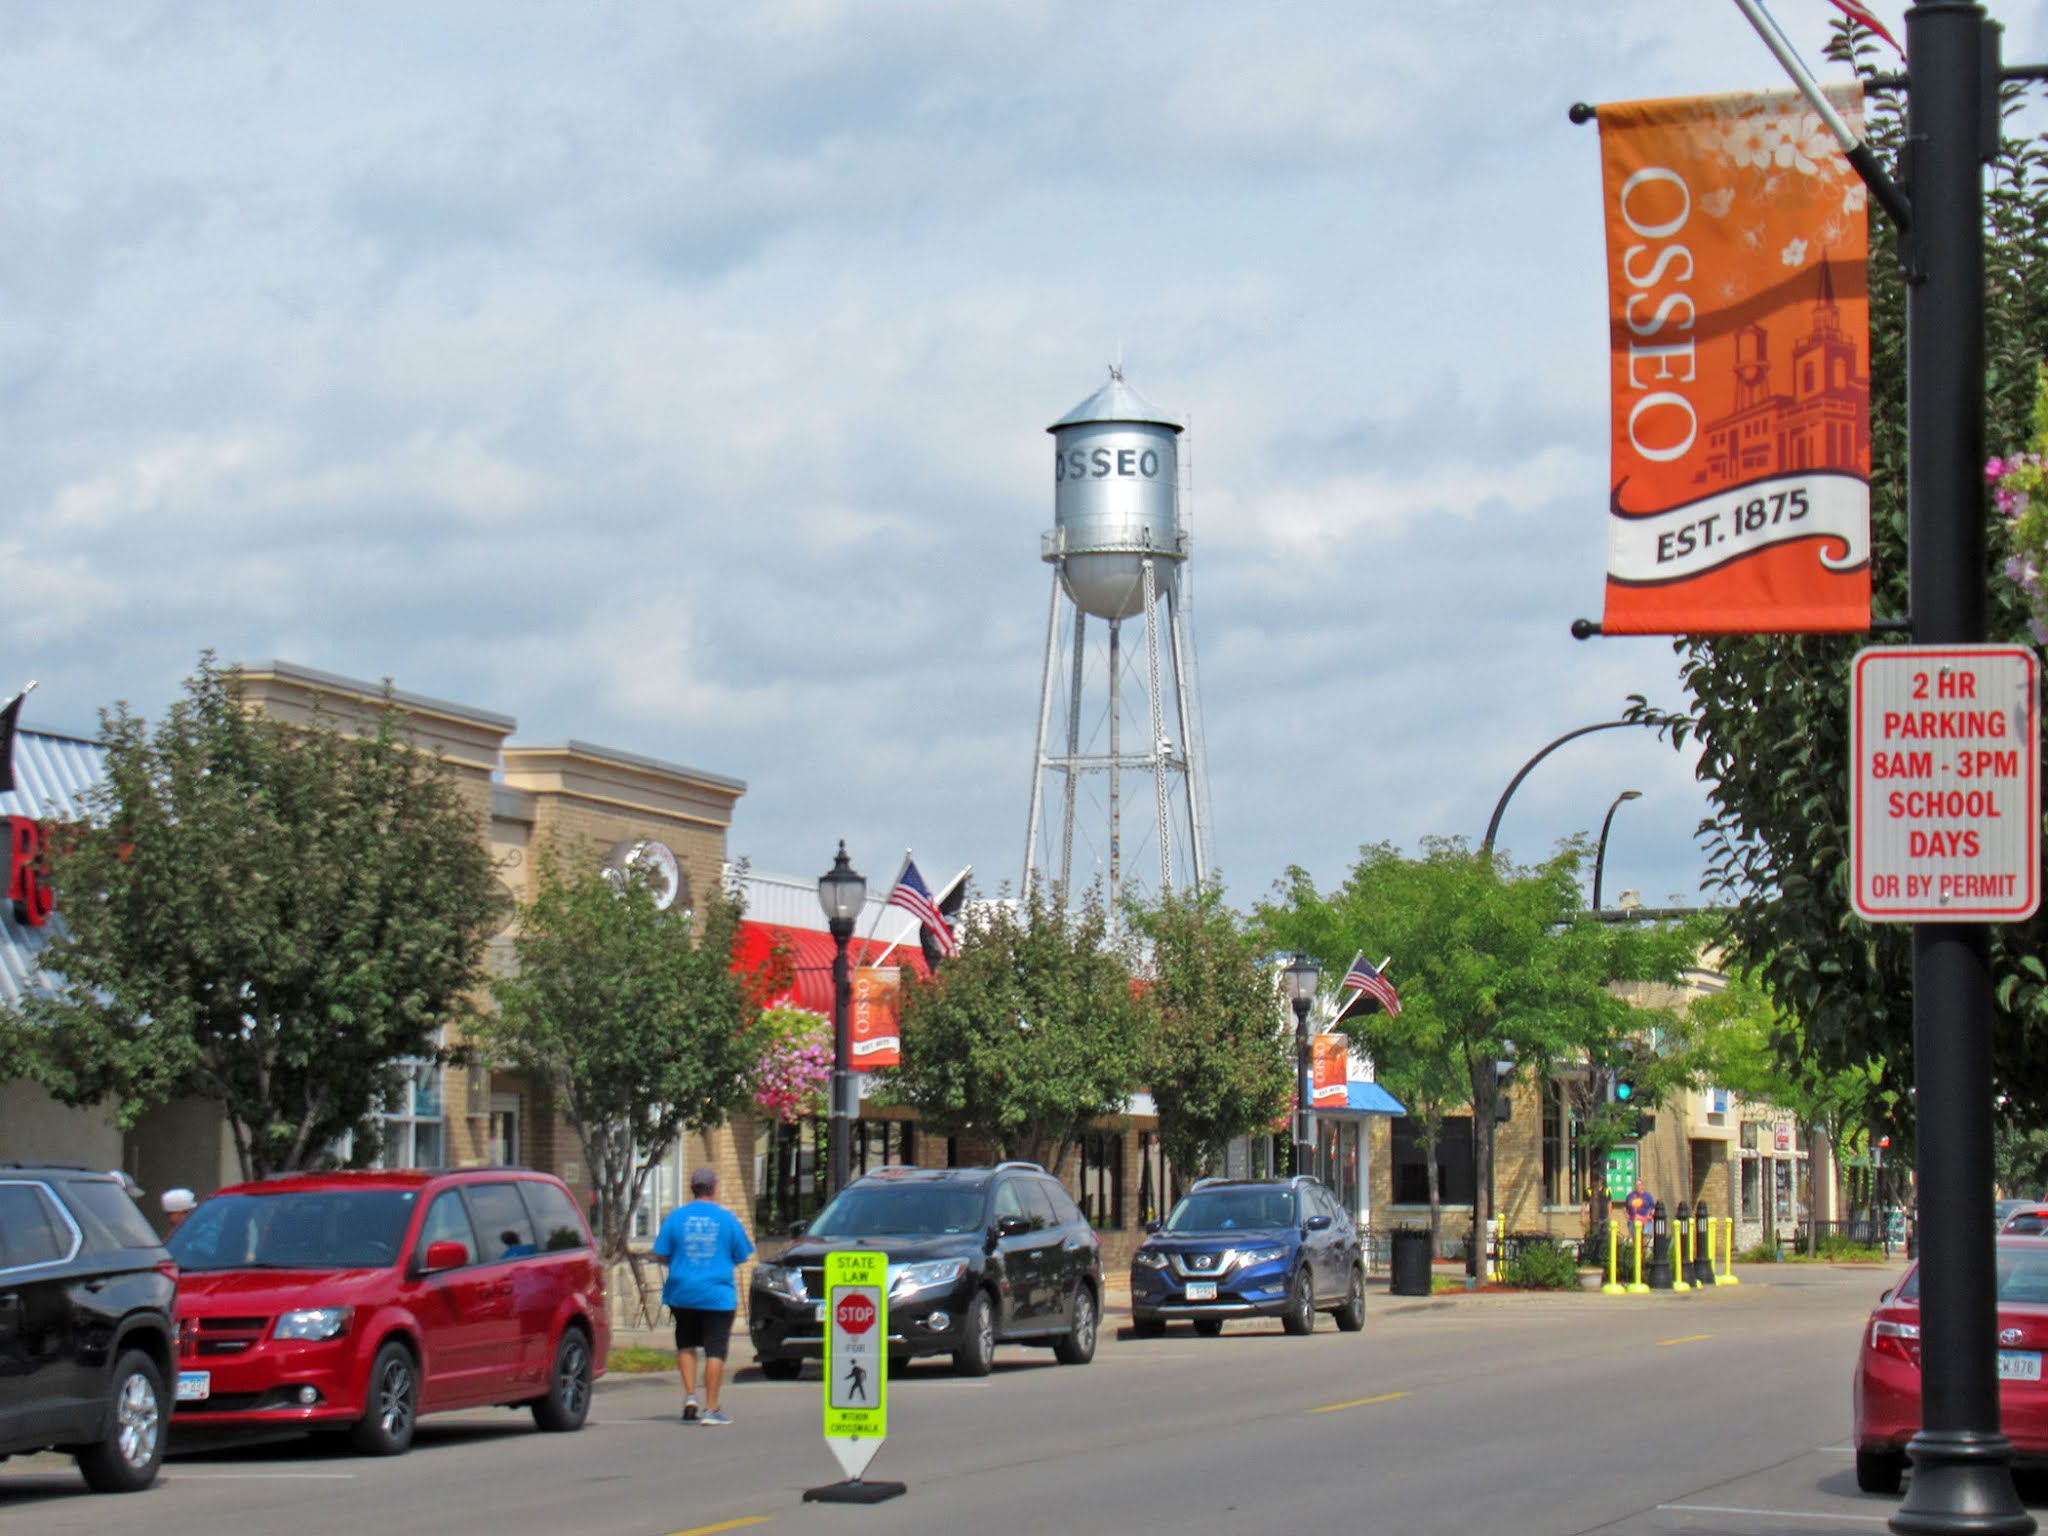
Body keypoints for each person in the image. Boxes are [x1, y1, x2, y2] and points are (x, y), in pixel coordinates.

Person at [652, 1166, 754, 1426]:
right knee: (715, 1350)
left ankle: (690, 1397)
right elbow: (742, 1254)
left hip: (682, 1292)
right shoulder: (728, 1219)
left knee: (685, 1343)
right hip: (717, 1294)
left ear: (692, 1188)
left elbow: (660, 1253)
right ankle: (711, 1409)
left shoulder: (675, 1218)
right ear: (714, 1188)